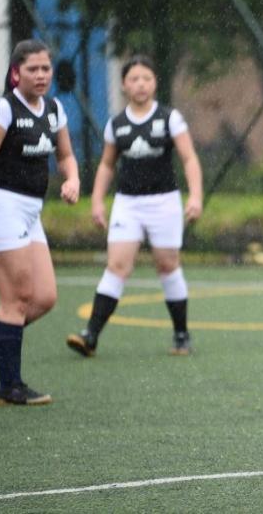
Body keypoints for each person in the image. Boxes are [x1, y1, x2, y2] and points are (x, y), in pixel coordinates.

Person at [0, 39, 80, 405]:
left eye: (45, 69)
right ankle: (10, 387)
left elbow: (66, 155)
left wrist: (72, 179)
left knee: (45, 298)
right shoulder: (3, 108)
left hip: (30, 211)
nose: (40, 75)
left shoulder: (54, 109)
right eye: (32, 69)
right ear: (16, 72)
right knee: (18, 298)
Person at [65, 55, 202, 357]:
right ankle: (90, 335)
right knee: (117, 266)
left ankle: (181, 334)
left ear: (155, 83)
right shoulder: (117, 124)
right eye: (134, 79)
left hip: (164, 202)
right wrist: (98, 201)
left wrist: (195, 196)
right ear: (124, 85)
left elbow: (189, 158)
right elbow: (106, 165)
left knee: (168, 265)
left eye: (147, 78)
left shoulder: (169, 118)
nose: (141, 84)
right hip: (128, 204)